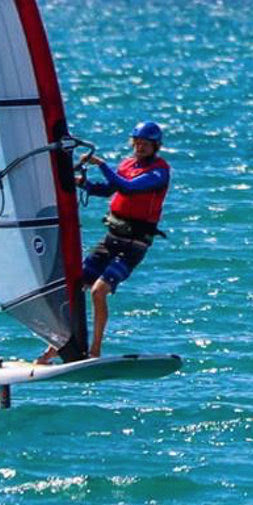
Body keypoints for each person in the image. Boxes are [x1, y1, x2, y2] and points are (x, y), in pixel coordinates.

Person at [71, 121, 172, 361]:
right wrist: (83, 184)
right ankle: (56, 348)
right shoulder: (127, 164)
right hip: (111, 238)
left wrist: (102, 165)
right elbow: (108, 190)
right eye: (137, 143)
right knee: (75, 286)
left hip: (134, 245)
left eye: (146, 144)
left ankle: (94, 350)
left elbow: (126, 188)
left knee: (98, 291)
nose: (140, 148)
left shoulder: (159, 171)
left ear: (156, 146)